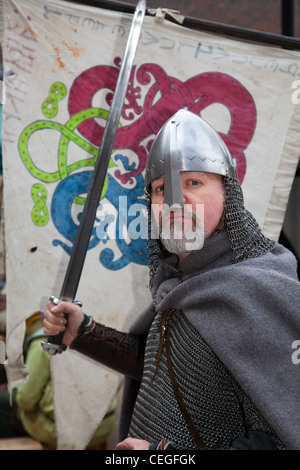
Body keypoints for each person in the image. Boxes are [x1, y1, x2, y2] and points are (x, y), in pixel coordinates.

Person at [43, 109, 300, 450]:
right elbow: (165, 366)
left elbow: (281, 439)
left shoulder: (264, 290)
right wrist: (84, 333)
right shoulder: (180, 281)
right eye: (162, 189)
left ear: (228, 194)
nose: (175, 202)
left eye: (193, 182)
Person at [0, 312, 117, 449]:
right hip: (103, 427)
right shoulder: (96, 334)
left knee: (10, 407)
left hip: (68, 434)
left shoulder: (42, 345)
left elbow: (25, 400)